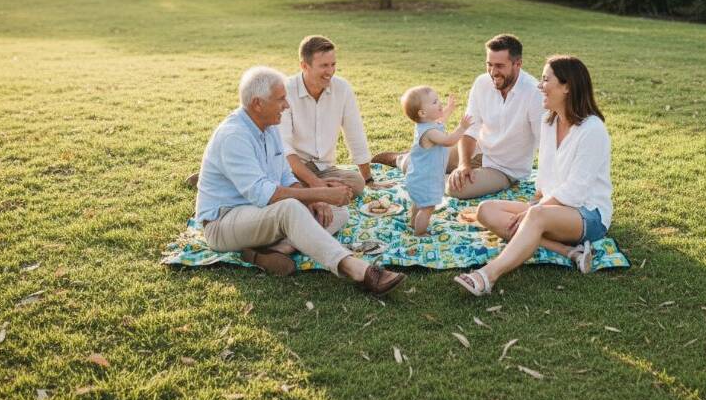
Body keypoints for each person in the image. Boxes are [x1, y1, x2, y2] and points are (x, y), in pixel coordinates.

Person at [196, 65, 406, 295]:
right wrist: (318, 193)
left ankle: (275, 251)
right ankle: (358, 269)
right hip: (223, 222)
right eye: (280, 99)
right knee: (290, 209)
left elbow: (285, 176)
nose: (286, 105)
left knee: (337, 212)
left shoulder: (268, 127)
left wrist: (317, 202)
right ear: (258, 103)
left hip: (257, 214)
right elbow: (263, 194)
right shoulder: (234, 136)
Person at [454, 56, 612, 295]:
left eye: (546, 79)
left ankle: (487, 276)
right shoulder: (549, 122)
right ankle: (569, 252)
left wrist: (533, 211)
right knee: (486, 210)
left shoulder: (592, 129)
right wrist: (535, 201)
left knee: (535, 215)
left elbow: (576, 191)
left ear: (567, 86)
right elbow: (546, 172)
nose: (540, 86)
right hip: (553, 209)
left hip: (588, 214)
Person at [373, 34, 544, 200]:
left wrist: (545, 187)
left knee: (455, 188)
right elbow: (470, 129)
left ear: (518, 64)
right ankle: (401, 159)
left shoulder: (534, 93)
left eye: (499, 66)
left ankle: (427, 169)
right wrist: (464, 164)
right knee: (424, 160)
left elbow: (545, 144)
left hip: (503, 169)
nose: (493, 72)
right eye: (489, 64)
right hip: (477, 150)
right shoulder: (482, 83)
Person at [279, 35, 374, 196]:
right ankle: (316, 193)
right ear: (304, 66)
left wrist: (368, 179)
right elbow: (284, 148)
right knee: (284, 184)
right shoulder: (285, 90)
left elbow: (355, 132)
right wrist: (315, 182)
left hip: (325, 170)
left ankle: (312, 194)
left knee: (357, 183)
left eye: (333, 64)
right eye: (324, 66)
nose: (330, 72)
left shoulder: (342, 88)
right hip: (292, 169)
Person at [399, 86, 472, 235]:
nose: (439, 104)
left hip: (418, 177)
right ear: (422, 113)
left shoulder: (428, 124)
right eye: (434, 102)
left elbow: (440, 119)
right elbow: (449, 141)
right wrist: (461, 128)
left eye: (438, 99)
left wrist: (449, 108)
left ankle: (414, 223)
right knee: (428, 207)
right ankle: (420, 233)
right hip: (426, 179)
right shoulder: (430, 132)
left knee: (419, 204)